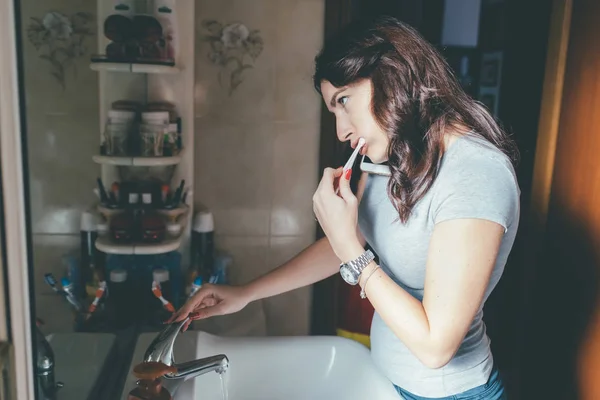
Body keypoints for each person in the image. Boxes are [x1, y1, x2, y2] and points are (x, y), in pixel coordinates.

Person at [169, 16, 519, 400]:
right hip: (384, 381)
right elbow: (347, 242)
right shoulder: (395, 159)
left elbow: (436, 347)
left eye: (344, 102)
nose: (341, 131)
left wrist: (352, 253)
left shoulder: (475, 172)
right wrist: (247, 293)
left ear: (391, 74)